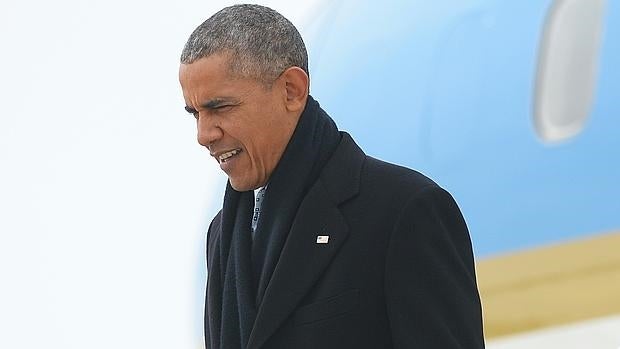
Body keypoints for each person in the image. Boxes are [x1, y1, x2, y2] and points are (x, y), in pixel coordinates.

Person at [178, 4, 485, 349]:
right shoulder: (222, 233)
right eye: (195, 114)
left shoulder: (403, 210)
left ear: (292, 90)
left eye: (219, 107)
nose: (204, 135)